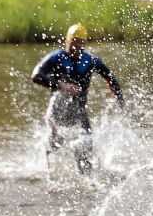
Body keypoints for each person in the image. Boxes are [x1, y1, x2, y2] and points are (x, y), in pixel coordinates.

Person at [31, 23, 126, 174]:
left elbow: (110, 78)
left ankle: (87, 182)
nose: (77, 46)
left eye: (80, 42)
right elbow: (36, 75)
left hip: (79, 111)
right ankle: (48, 173)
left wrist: (121, 102)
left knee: (86, 144)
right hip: (57, 109)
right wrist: (62, 86)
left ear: (84, 43)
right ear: (67, 41)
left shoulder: (90, 61)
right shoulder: (57, 58)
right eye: (74, 41)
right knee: (55, 144)